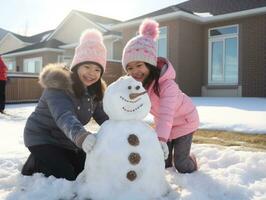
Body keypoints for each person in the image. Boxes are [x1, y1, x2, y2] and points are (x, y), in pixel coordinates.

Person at [21, 29, 109, 181]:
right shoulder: (58, 86)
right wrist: (81, 136)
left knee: (86, 169)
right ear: (76, 67)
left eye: (97, 69)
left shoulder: (94, 92)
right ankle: (35, 163)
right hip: (42, 137)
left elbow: (104, 117)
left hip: (66, 139)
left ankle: (57, 158)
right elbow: (64, 116)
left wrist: (124, 131)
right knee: (67, 175)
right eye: (87, 67)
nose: (92, 73)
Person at [122, 19, 199, 173]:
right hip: (166, 127)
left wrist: (161, 139)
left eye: (139, 65)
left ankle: (192, 160)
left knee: (181, 165)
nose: (134, 71)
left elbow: (166, 114)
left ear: (149, 64)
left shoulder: (167, 85)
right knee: (163, 163)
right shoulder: (139, 86)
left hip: (184, 122)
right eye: (129, 67)